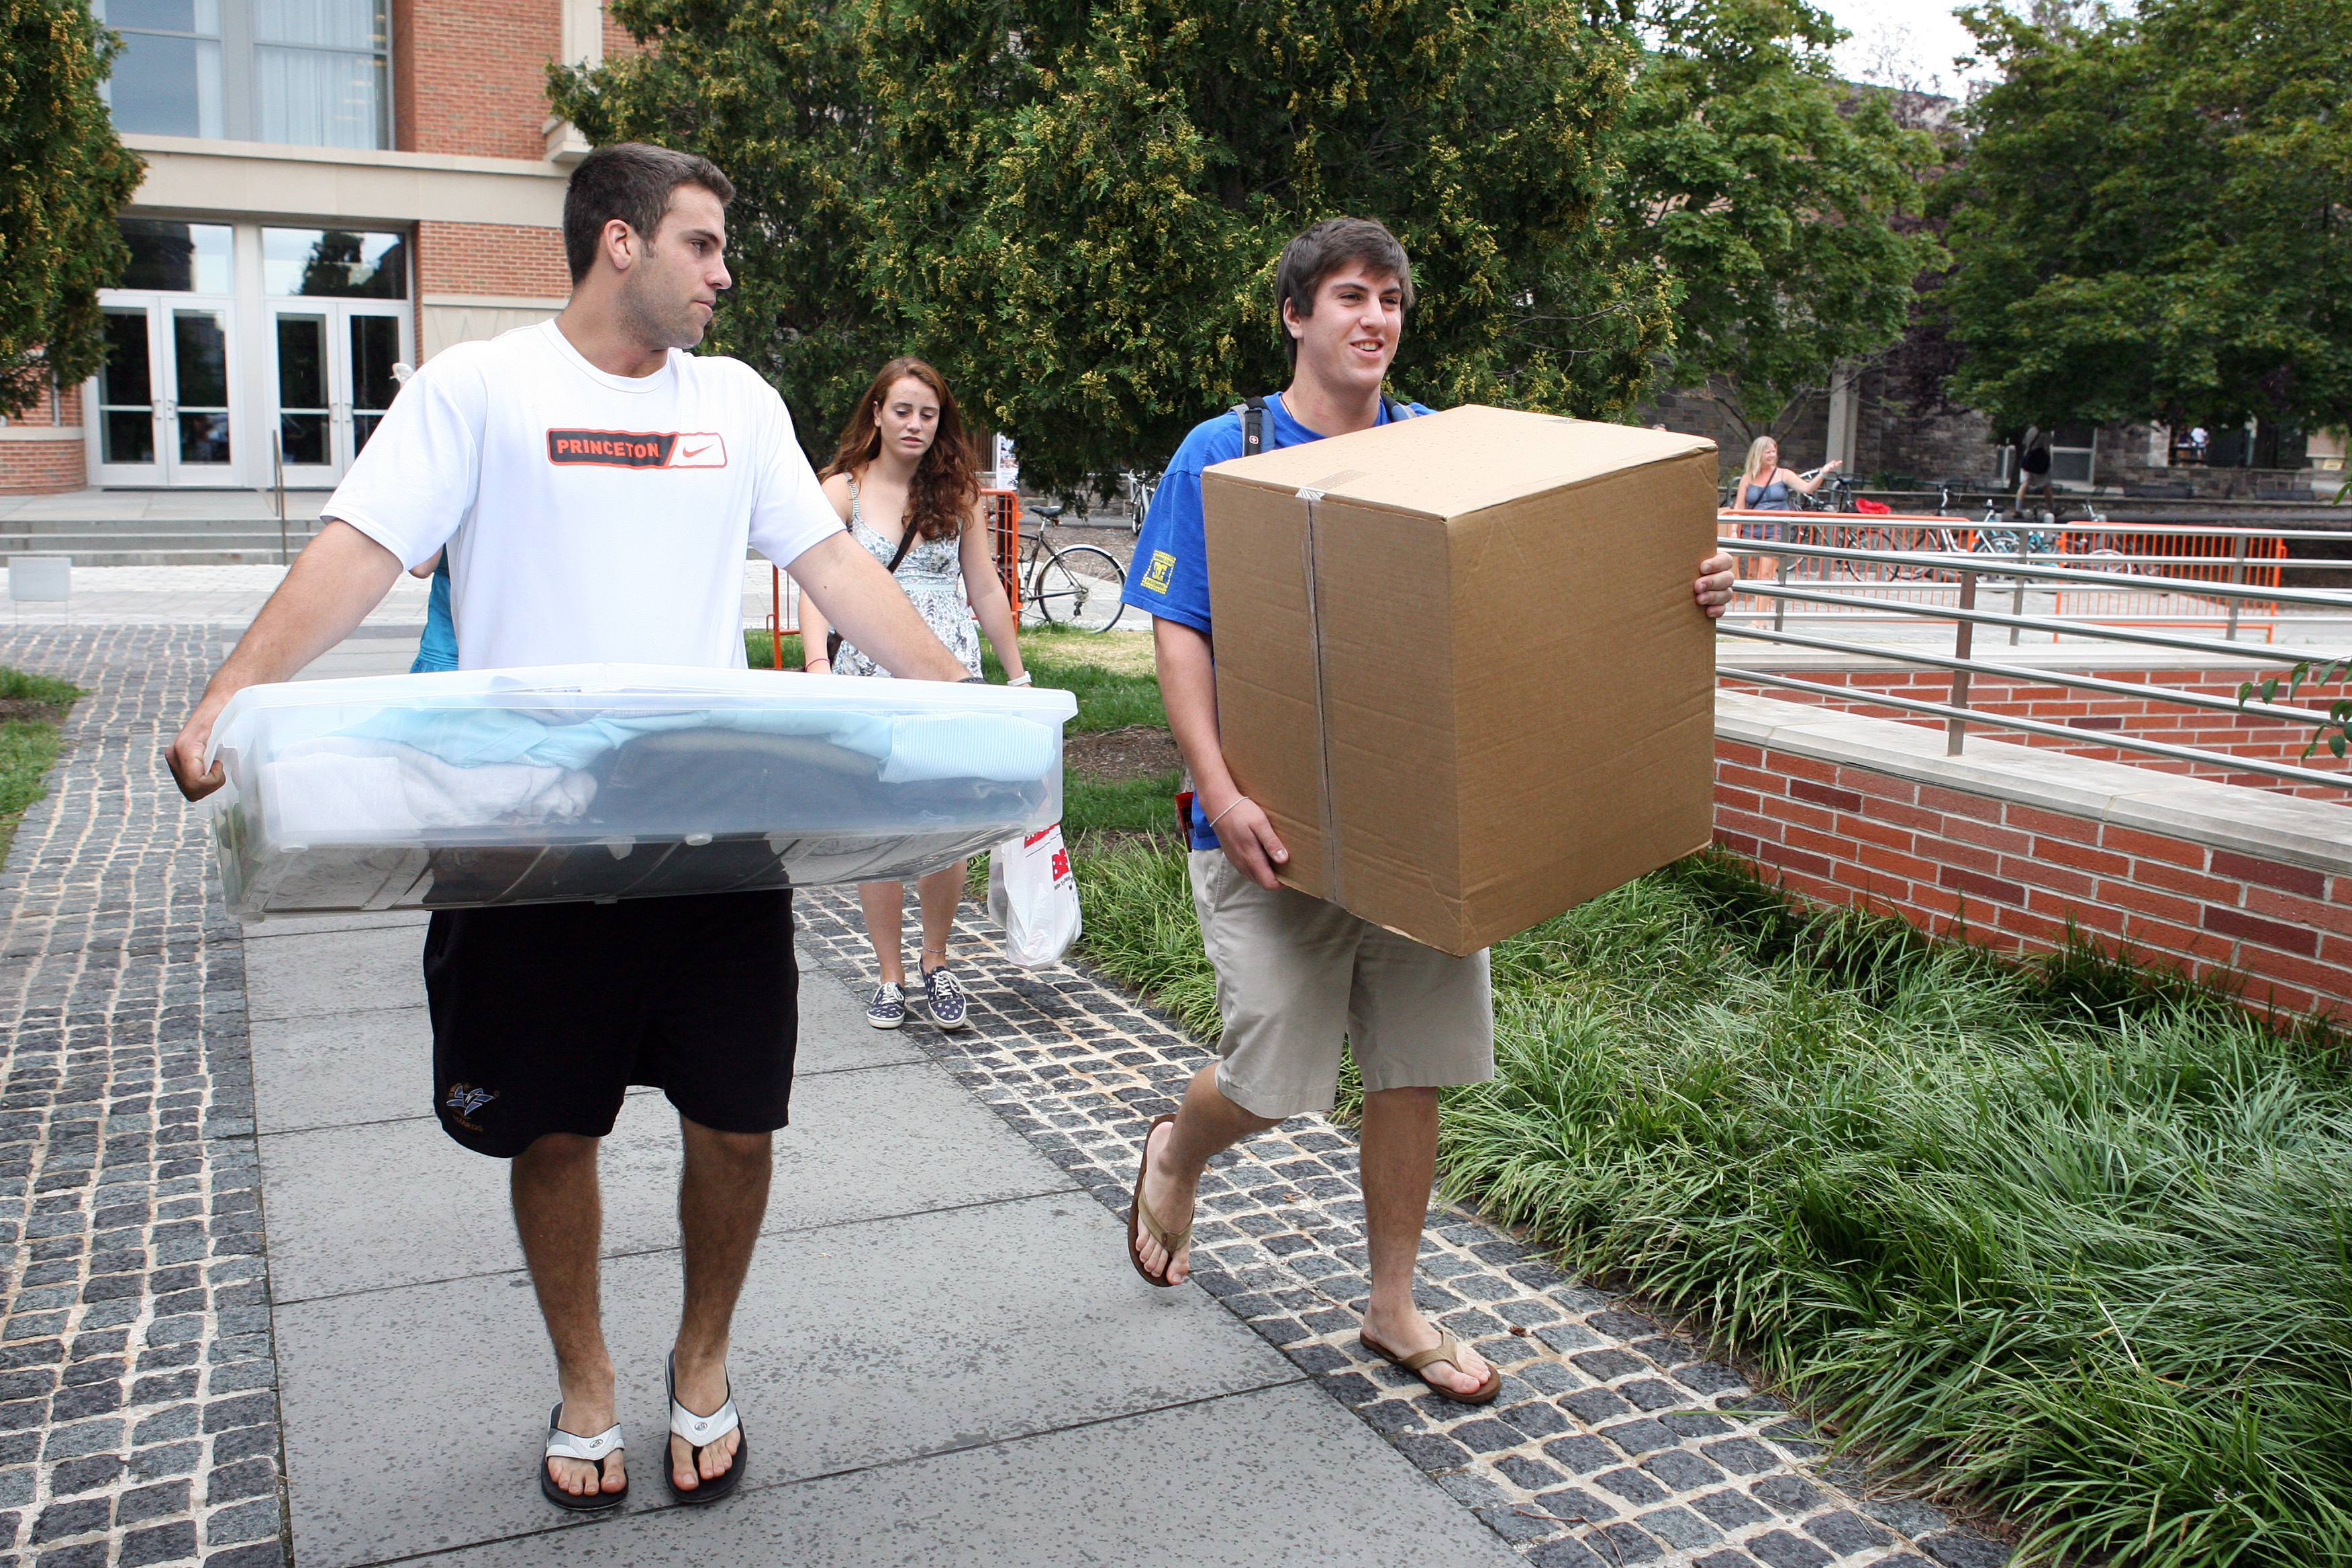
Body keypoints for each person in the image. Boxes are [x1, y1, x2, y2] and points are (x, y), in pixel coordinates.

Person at [164, 142, 973, 1512]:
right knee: (551, 1130)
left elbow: (833, 564)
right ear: (620, 242)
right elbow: (359, 550)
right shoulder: (478, 390)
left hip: (707, 839)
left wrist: (956, 707)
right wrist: (227, 699)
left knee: (737, 1123)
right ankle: (586, 1379)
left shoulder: (735, 403)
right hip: (523, 844)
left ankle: (701, 1359)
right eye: (702, 244)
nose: (723, 274)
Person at [1119, 216, 1738, 1402]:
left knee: (1410, 1069)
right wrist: (1221, 790)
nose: (1376, 318)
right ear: (1295, 314)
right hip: (1270, 830)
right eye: (1350, 295)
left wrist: (1682, 577)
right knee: (1269, 1076)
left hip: (1418, 830)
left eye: (1392, 299)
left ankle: (1392, 1306)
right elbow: (1179, 631)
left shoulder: (1439, 448)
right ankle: (1176, 1150)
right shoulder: (1224, 450)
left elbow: (1553, 581)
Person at [798, 358, 1028, 1031]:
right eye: (902, 410)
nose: (915, 425)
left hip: (946, 673)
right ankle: (889, 974)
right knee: (881, 823)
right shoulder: (842, 490)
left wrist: (1017, 677)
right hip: (869, 675)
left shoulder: (958, 493)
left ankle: (937, 960)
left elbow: (985, 587)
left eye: (928, 414)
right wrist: (818, 665)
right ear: (876, 413)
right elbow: (814, 582)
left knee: (946, 825)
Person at [1734, 435, 1839, 510]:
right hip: (1752, 529)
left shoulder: (1784, 474)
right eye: (1768, 452)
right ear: (1758, 454)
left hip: (1778, 530)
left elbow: (1808, 489)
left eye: (1774, 452)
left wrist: (1823, 473)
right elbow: (1739, 507)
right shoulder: (1747, 478)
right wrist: (1734, 530)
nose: (1772, 455)